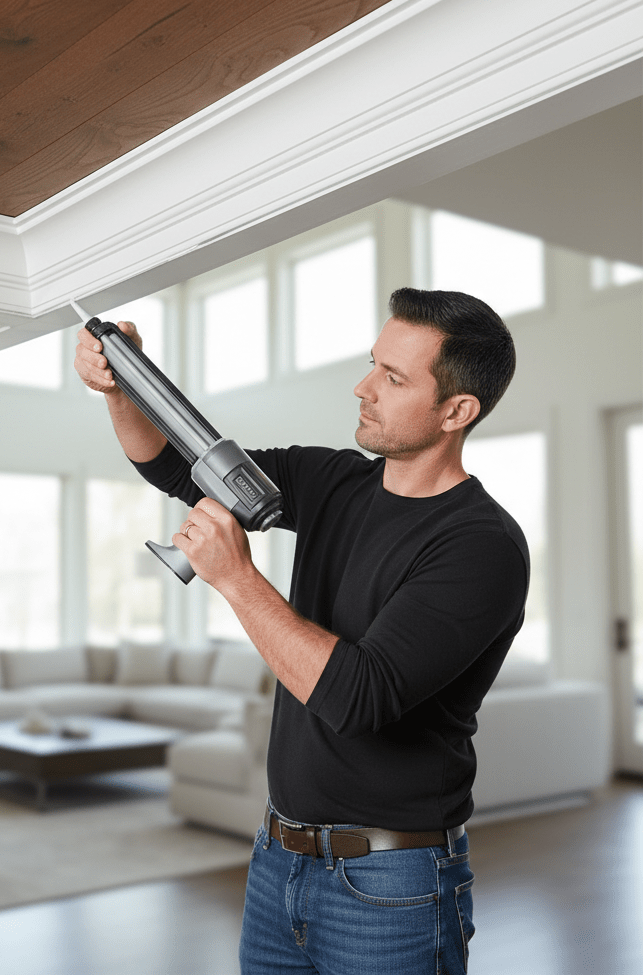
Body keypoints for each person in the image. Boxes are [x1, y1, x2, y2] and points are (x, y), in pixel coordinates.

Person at [74, 287, 529, 975]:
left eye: (392, 377)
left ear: (456, 411)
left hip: (391, 885)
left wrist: (236, 579)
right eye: (374, 363)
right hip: (276, 859)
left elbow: (357, 697)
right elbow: (175, 466)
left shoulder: (480, 546)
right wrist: (120, 385)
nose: (364, 387)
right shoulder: (331, 480)